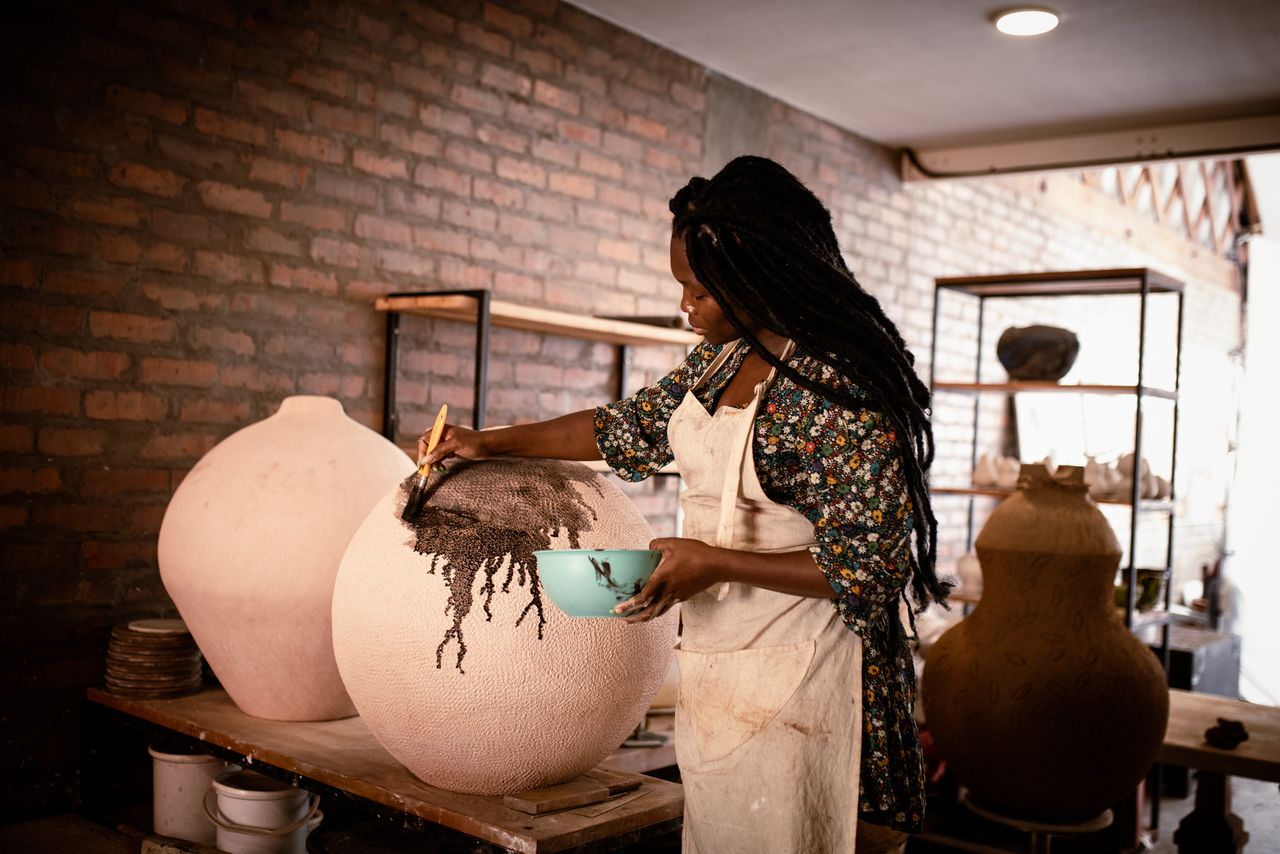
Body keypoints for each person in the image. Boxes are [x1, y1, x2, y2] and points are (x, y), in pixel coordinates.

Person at [419, 155, 949, 853]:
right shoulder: (722, 362)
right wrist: (490, 443)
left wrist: (718, 563)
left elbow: (872, 568)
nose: (684, 307)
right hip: (727, 669)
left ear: (758, 276)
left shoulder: (841, 390)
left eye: (699, 291)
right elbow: (621, 428)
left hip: (820, 684)